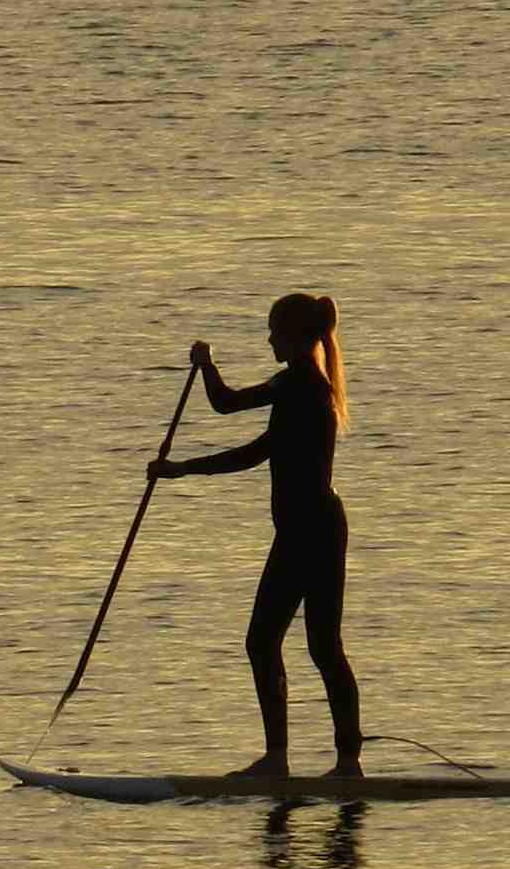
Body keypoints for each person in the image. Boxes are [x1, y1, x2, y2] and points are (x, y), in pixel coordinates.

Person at [151, 290, 363, 779]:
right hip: (318, 527)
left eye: (274, 332)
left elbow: (238, 429)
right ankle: (333, 761)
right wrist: (207, 371)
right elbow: (239, 422)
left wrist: (182, 467)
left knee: (273, 641)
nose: (268, 340)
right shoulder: (304, 386)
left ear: (295, 337)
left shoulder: (298, 386)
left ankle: (297, 760)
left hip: (308, 532)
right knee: (314, 646)